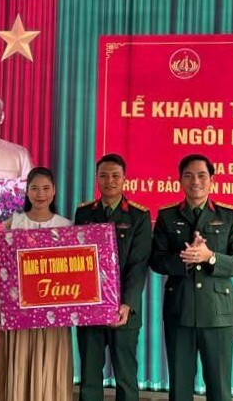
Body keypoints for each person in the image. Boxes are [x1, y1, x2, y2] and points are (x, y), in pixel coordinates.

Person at [150, 154, 233, 401]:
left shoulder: (228, 216)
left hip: (218, 315)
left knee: (219, 390)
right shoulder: (167, 216)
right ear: (180, 181)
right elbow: (156, 260)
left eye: (201, 175)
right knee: (180, 390)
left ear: (212, 180)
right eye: (188, 176)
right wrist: (184, 259)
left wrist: (210, 257)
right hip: (180, 312)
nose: (195, 181)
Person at [74, 153, 152, 401]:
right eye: (104, 176)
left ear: (124, 179)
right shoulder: (84, 213)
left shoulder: (138, 216)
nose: (109, 181)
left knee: (126, 378)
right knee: (89, 378)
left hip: (123, 311)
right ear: (96, 178)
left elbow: (139, 265)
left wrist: (126, 304)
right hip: (90, 307)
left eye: (115, 176)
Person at [0, 167, 73, 401]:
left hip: (55, 311)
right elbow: (4, 270)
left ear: (54, 191)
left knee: (50, 364)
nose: (41, 194)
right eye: (35, 189)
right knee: (20, 362)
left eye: (46, 188)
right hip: (19, 310)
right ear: (27, 192)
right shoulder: (13, 224)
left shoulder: (67, 226)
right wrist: (2, 305)